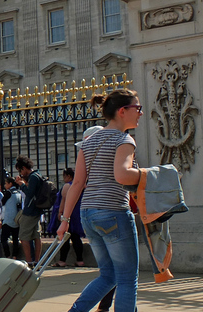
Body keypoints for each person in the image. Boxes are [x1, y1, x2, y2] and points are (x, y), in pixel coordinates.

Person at [57, 90, 144, 312]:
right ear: (123, 111)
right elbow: (122, 175)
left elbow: (77, 183)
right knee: (126, 278)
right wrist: (149, 174)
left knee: (109, 275)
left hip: (88, 214)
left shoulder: (89, 141)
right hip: (113, 211)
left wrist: (65, 220)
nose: (141, 113)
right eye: (138, 108)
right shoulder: (124, 139)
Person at [50, 167, 85, 267]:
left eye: (64, 176)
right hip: (77, 213)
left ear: (69, 176)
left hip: (68, 213)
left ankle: (62, 260)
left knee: (65, 237)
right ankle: (80, 260)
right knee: (76, 237)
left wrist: (60, 212)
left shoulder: (67, 186)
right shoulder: (81, 185)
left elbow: (64, 200)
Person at [14, 155, 44, 265]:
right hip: (37, 210)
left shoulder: (33, 177)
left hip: (30, 210)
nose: (21, 174)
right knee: (36, 235)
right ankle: (37, 261)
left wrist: (21, 184)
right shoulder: (38, 174)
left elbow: (30, 193)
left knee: (23, 236)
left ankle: (29, 261)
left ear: (24, 168)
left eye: (20, 171)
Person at [0, 177, 21, 259]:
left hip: (8, 219)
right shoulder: (19, 192)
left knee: (4, 239)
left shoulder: (8, 193)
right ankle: (15, 255)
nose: (5, 185)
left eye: (6, 183)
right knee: (16, 239)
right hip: (17, 219)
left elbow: (2, 202)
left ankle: (8, 255)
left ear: (10, 184)